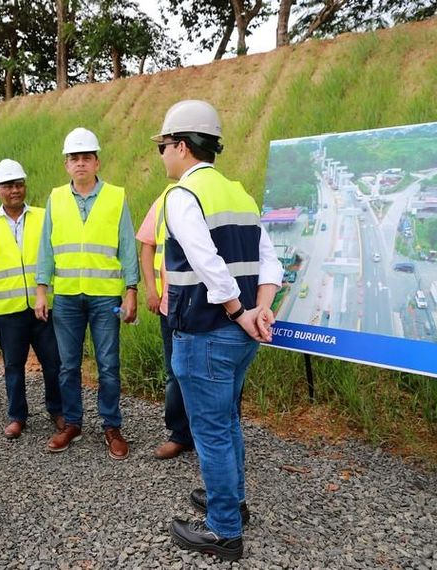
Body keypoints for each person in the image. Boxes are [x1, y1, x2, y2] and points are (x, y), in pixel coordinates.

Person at [153, 100, 282, 562]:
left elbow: (207, 262)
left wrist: (237, 309)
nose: (162, 154)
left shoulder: (182, 196)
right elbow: (270, 261)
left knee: (210, 430)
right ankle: (235, 503)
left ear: (182, 146)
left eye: (164, 145)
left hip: (207, 334)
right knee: (226, 421)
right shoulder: (239, 193)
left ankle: (224, 530)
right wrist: (259, 309)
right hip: (242, 335)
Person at [35, 127, 139, 460]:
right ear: (67, 165)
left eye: (86, 158)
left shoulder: (116, 196)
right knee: (67, 366)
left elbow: (127, 246)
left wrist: (131, 290)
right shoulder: (55, 198)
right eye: (74, 158)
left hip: (105, 297)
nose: (80, 164)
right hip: (65, 297)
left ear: (97, 162)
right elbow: (46, 248)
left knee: (108, 364)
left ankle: (111, 425)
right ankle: (73, 424)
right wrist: (41, 290)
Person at [0, 159, 64, 440]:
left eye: (18, 184)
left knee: (53, 362)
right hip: (6, 310)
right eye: (7, 185)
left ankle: (57, 409)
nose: (14, 190)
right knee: (13, 366)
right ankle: (17, 416)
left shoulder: (43, 217)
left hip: (43, 308)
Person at [136, 190, 194, 459]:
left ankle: (206, 434)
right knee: (174, 372)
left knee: (205, 373)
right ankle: (179, 434)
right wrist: (150, 289)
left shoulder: (208, 196)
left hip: (206, 305)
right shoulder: (164, 200)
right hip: (170, 304)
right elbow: (147, 245)